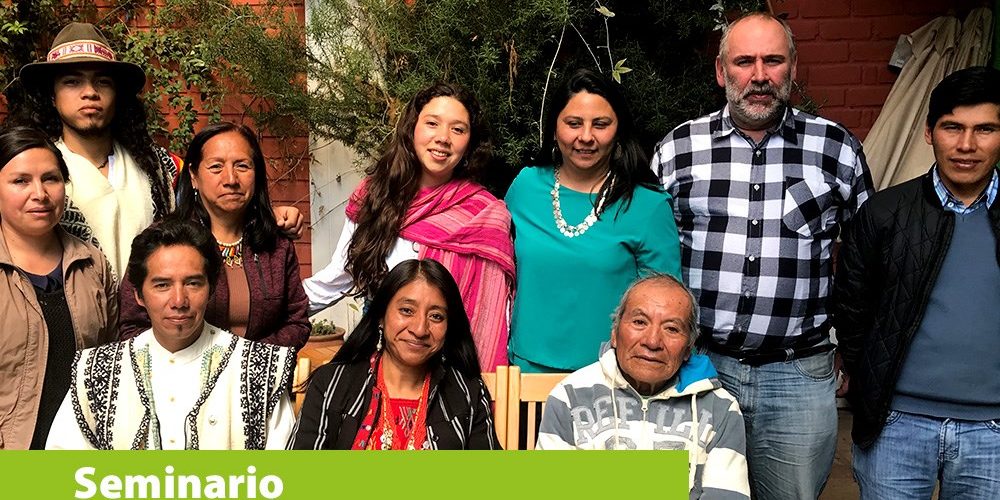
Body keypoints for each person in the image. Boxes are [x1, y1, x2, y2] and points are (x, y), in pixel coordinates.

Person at [650, 12, 874, 499]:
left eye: (772, 61)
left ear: (792, 67)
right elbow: (649, 261)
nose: (759, 75)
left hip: (798, 375)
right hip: (697, 366)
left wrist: (853, 350)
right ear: (721, 71)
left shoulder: (836, 149)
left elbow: (866, 262)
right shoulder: (677, 149)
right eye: (744, 61)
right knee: (685, 493)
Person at [13, 22, 303, 278]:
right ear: (52, 96)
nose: (90, 92)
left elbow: (216, 208)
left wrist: (268, 216)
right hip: (75, 315)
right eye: (72, 82)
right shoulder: (35, 170)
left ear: (118, 94)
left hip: (154, 317)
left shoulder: (161, 167)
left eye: (102, 81)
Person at [833, 66, 1000, 499]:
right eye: (952, 127)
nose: (967, 145)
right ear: (929, 132)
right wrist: (870, 390)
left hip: (994, 432)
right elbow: (851, 309)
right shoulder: (884, 213)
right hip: (897, 424)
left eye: (985, 129)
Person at [303, 83, 514, 371]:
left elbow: (493, 314)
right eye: (432, 123)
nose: (443, 138)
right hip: (379, 362)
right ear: (412, 128)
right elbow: (339, 277)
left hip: (451, 370)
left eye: (457, 129)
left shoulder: (485, 215)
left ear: (469, 143)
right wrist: (267, 311)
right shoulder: (375, 196)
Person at [46, 218, 295, 449]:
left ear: (211, 289)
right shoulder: (97, 370)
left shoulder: (260, 368)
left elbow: (282, 474)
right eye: (162, 285)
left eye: (193, 283)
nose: (178, 301)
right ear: (138, 295)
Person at [505, 68, 682, 373]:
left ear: (618, 131)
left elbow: (666, 308)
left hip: (610, 379)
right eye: (573, 123)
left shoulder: (648, 206)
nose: (586, 137)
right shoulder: (525, 188)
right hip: (523, 372)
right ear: (554, 128)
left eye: (600, 124)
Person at [537, 274, 749, 499]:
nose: (652, 341)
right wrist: (666, 481)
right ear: (615, 333)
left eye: (671, 329)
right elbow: (544, 490)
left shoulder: (722, 408)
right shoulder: (569, 395)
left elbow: (728, 496)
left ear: (688, 348)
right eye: (639, 322)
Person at [118, 122, 310, 350]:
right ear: (194, 176)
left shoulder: (276, 243)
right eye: (216, 167)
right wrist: (198, 362)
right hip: (182, 370)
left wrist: (249, 360)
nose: (231, 179)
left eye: (242, 166)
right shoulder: (164, 241)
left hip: (261, 369)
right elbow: (132, 326)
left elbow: (297, 322)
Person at [291, 259, 499, 449]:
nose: (420, 329)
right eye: (407, 310)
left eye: (436, 316)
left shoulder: (468, 393)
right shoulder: (330, 385)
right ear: (381, 316)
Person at [0, 127, 117, 449]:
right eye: (21, 181)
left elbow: (110, 361)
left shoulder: (92, 264)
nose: (39, 193)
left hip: (80, 452)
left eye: (50, 179)